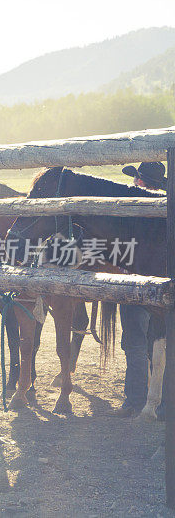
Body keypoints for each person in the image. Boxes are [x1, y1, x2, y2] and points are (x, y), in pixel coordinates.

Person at [113, 161, 166, 417]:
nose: (134, 183)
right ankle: (160, 400)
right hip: (163, 287)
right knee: (158, 343)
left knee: (134, 341)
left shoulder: (136, 213)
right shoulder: (166, 206)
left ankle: (135, 400)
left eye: (136, 179)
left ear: (142, 183)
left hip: (135, 285)